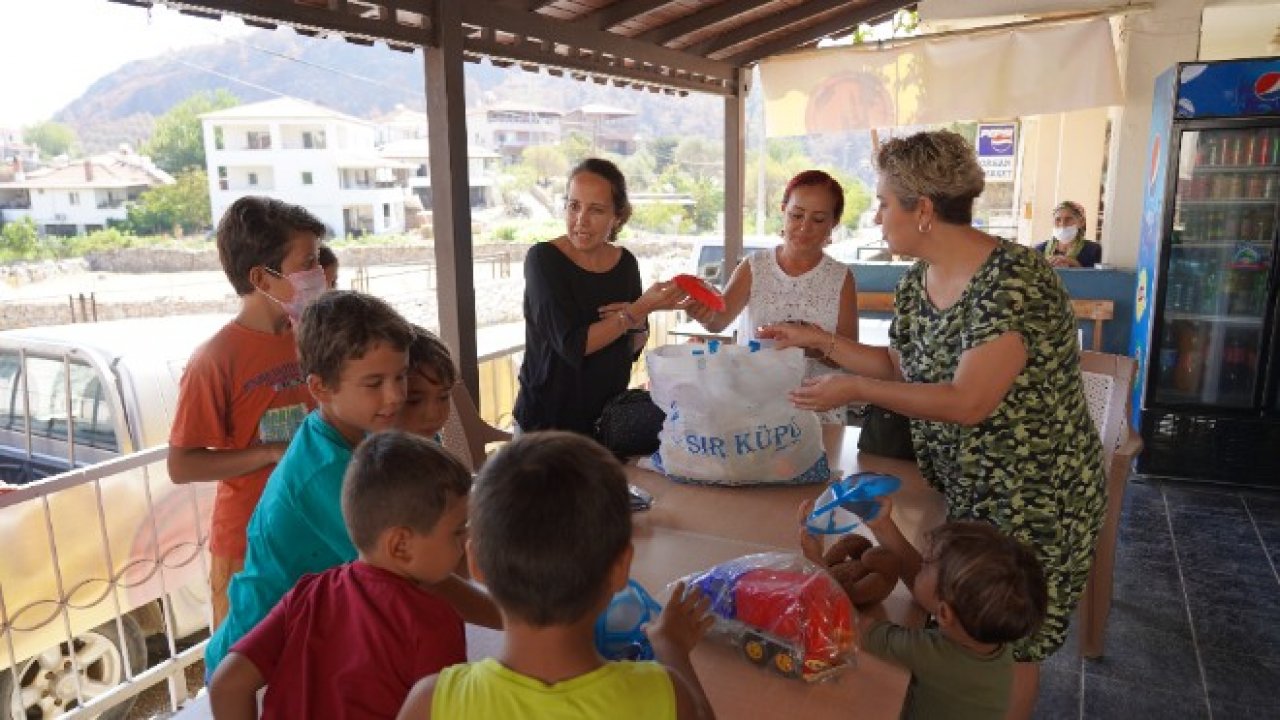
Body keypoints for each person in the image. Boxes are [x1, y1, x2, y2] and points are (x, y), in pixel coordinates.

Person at [759, 130, 1106, 719]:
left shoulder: (1011, 280)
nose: (876, 214)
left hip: (1037, 497)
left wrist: (858, 390)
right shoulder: (918, 283)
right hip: (971, 489)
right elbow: (898, 365)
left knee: (1009, 650)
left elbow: (968, 400)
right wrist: (821, 343)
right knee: (960, 630)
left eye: (883, 202)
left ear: (922, 210)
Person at [205, 291, 499, 674]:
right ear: (321, 388)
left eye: (399, 378)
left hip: (327, 639)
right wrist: (524, 622)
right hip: (263, 662)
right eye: (375, 383)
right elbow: (425, 575)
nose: (395, 396)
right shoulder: (328, 471)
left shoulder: (380, 433)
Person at [397, 432, 716, 720]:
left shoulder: (432, 703)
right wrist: (671, 647)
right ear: (620, 569)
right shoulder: (665, 696)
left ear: (476, 564)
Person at [208, 431, 477, 719]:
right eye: (458, 531)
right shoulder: (433, 621)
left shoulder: (307, 594)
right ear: (400, 546)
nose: (465, 541)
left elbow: (227, 684)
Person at [167, 196, 327, 626]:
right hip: (248, 545)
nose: (318, 274)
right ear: (262, 278)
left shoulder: (312, 336)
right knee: (246, 664)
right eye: (308, 262)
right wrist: (269, 453)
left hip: (317, 524)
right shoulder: (216, 359)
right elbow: (182, 465)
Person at [800, 497, 1048, 720]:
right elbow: (931, 593)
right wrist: (882, 524)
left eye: (927, 563)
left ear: (944, 614)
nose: (920, 562)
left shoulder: (932, 655)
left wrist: (814, 559)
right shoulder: (987, 639)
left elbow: (850, 625)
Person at [514, 158, 685, 435]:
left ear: (617, 217)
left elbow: (630, 347)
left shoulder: (625, 263)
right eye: (573, 206)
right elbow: (572, 345)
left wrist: (637, 317)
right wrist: (632, 312)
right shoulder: (544, 260)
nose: (581, 220)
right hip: (546, 426)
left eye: (595, 210)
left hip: (606, 424)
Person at [683, 169, 858, 424]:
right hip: (755, 406)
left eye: (818, 219)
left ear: (834, 223)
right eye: (796, 215)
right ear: (783, 210)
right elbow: (718, 321)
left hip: (817, 409)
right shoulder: (755, 266)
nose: (804, 227)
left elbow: (849, 357)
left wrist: (813, 343)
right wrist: (702, 311)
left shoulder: (841, 278)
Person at [397, 325, 456, 441]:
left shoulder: (431, 441)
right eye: (414, 401)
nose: (434, 415)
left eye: (444, 397)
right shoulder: (368, 457)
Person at [1034, 201, 1102, 268]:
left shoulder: (1093, 250)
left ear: (1081, 222)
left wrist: (1075, 265)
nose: (1062, 224)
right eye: (1058, 219)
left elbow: (1095, 277)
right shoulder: (1039, 250)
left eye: (1069, 219)